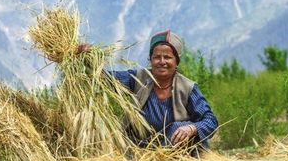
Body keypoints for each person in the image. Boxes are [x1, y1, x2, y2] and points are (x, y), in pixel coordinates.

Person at [78, 30, 218, 151]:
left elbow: (211, 121)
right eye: (157, 57)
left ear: (176, 61)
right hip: (141, 152)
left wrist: (191, 129)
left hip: (178, 154)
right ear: (150, 60)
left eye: (168, 57)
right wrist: (88, 59)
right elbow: (105, 79)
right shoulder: (138, 79)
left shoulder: (187, 88)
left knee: (179, 127)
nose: (162, 61)